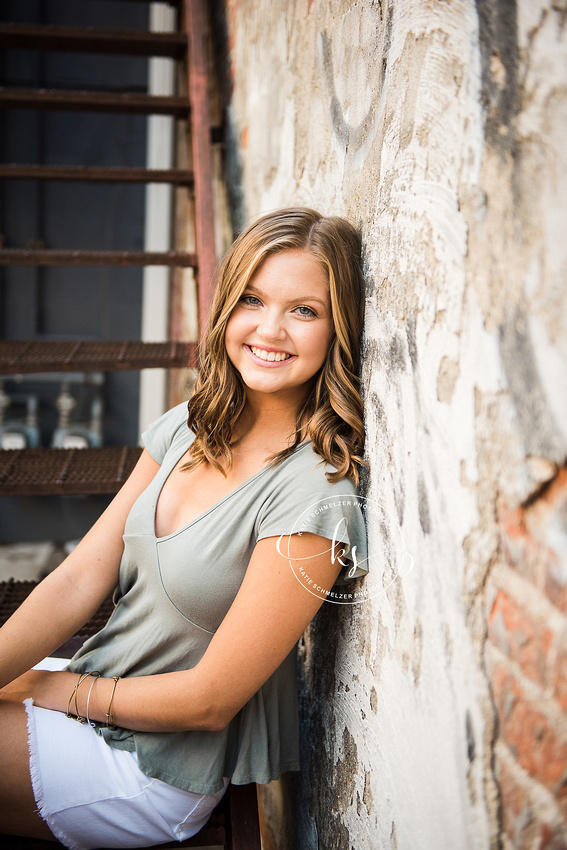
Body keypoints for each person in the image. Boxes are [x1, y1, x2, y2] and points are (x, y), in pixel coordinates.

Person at [0, 207, 368, 849]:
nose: (270, 329)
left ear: (338, 328)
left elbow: (211, 699)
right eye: (253, 298)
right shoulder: (188, 425)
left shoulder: (313, 496)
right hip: (98, 684)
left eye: (304, 310)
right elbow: (84, 575)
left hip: (151, 769)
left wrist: (55, 687)